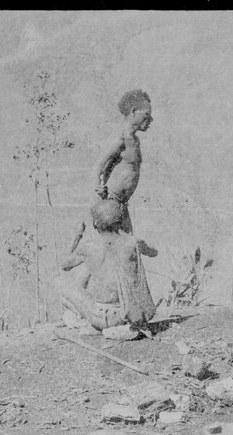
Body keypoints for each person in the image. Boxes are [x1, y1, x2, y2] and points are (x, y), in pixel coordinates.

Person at [59, 199, 156, 332]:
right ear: (120, 222)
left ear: (94, 224)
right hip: (132, 315)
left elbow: (64, 265)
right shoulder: (133, 243)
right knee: (93, 267)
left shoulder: (88, 248)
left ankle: (83, 321)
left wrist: (77, 235)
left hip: (104, 318)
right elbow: (154, 252)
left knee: (62, 286)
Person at [91, 89, 153, 234]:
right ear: (133, 111)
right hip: (110, 205)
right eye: (147, 114)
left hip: (121, 205)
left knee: (131, 251)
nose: (150, 120)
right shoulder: (120, 138)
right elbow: (99, 165)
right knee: (119, 249)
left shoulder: (134, 140)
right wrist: (97, 186)